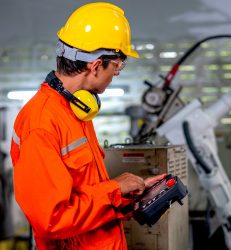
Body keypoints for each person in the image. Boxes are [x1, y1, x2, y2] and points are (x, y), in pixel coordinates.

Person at [10, 2, 166, 249]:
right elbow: (51, 219)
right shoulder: (41, 122)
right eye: (117, 65)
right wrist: (115, 189)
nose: (117, 73)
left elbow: (86, 193)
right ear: (95, 65)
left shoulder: (75, 110)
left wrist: (129, 195)